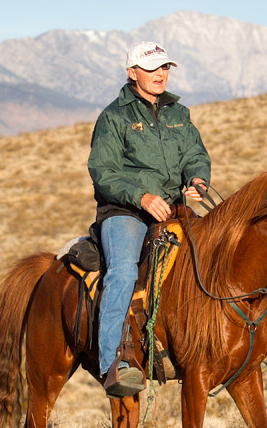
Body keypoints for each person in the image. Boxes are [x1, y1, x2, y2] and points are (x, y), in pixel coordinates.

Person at [88, 41, 211, 397]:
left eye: (165, 67)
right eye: (152, 68)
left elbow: (194, 154)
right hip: (125, 211)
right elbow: (103, 171)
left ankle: (220, 346)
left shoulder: (178, 113)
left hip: (174, 207)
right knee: (125, 271)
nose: (161, 74)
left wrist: (198, 180)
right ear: (132, 73)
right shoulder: (114, 117)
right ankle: (113, 363)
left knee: (213, 250)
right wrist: (141, 197)